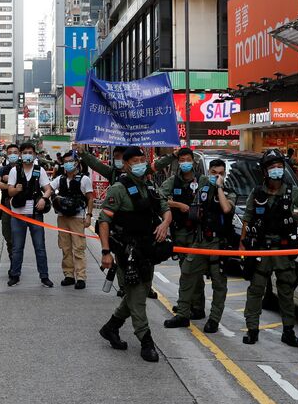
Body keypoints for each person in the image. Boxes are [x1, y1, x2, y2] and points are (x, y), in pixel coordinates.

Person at [97, 146, 172, 362]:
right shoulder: (119, 189)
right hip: (127, 252)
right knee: (138, 297)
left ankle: (111, 327)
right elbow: (104, 221)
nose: (141, 164)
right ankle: (146, 342)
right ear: (127, 164)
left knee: (139, 292)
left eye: (143, 159)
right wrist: (105, 252)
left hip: (147, 249)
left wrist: (165, 223)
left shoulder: (149, 185)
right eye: (136, 160)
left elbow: (164, 207)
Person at [239, 149, 298, 347]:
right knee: (255, 290)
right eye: (272, 167)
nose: (276, 170)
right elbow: (247, 219)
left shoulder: (293, 192)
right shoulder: (257, 192)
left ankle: (288, 331)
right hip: (260, 250)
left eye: (279, 166)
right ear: (265, 171)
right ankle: (252, 330)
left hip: (283, 250)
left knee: (286, 292)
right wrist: (242, 248)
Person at [163, 157, 234, 333]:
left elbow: (226, 209)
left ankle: (214, 319)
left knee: (218, 283)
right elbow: (193, 212)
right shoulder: (201, 190)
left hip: (219, 244)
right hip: (200, 241)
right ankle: (182, 314)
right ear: (208, 173)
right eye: (213, 173)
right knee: (187, 272)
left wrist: (219, 187)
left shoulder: (228, 192)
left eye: (220, 174)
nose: (217, 176)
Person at [160, 148, 206, 319]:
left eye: (188, 159)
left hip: (196, 233)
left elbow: (212, 197)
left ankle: (196, 306)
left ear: (193, 161)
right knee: (185, 269)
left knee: (194, 271)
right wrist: (178, 205)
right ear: (178, 162)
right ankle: (187, 304)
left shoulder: (202, 180)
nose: (185, 162)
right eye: (182, 160)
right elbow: (159, 197)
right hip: (180, 232)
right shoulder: (173, 181)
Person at [6, 142, 54, 288]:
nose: (28, 155)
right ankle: (15, 275)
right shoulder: (15, 170)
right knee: (17, 247)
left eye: (30, 152)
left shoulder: (39, 170)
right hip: (18, 215)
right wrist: (17, 189)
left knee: (40, 247)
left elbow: (48, 189)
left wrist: (44, 199)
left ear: (34, 154)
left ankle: (44, 276)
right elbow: (10, 192)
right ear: (21, 154)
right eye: (25, 152)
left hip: (35, 215)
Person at [49, 151, 93, 289]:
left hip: (78, 217)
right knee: (65, 247)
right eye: (65, 161)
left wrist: (89, 215)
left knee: (78, 248)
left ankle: (81, 277)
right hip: (63, 217)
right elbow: (49, 188)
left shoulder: (84, 179)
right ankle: (68, 275)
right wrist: (49, 198)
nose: (68, 164)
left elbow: (90, 198)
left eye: (70, 161)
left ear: (76, 163)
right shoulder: (60, 179)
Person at [0, 143, 20, 258]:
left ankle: (17, 260)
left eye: (15, 153)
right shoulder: (3, 169)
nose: (12, 155)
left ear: (19, 154)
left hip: (21, 206)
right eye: (10, 153)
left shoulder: (24, 168)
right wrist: (10, 186)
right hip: (6, 206)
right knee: (7, 233)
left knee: (19, 235)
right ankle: (12, 257)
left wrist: (11, 180)